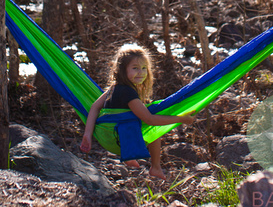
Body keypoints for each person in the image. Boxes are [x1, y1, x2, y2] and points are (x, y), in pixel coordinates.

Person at [80, 46, 194, 180]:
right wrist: (180, 119)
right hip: (116, 137)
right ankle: (155, 167)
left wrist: (87, 134)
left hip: (106, 136)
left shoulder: (114, 89)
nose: (141, 72)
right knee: (154, 122)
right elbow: (149, 120)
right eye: (135, 68)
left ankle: (130, 156)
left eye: (144, 68)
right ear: (122, 70)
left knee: (144, 113)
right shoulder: (128, 92)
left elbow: (94, 107)